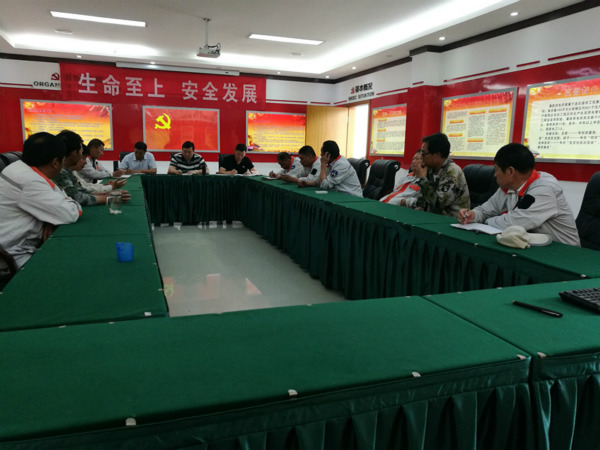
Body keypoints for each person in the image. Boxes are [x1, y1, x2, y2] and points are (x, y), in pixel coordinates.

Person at [458, 143, 580, 246]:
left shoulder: (545, 189)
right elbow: (487, 209)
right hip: (534, 248)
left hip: (565, 253)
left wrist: (484, 222)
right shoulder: (508, 186)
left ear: (510, 171)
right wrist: (473, 215)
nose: (495, 175)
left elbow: (515, 222)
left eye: (496, 170)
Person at [0, 132, 81, 270]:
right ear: (55, 163)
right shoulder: (29, 181)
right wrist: (65, 206)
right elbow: (70, 213)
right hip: (12, 258)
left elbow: (55, 206)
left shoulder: (18, 168)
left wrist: (49, 219)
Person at [54, 130, 130, 206]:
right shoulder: (59, 171)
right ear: (75, 152)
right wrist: (108, 198)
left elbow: (80, 190)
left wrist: (108, 194)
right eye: (81, 153)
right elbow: (77, 198)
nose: (85, 161)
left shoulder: (67, 170)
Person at [413, 133, 470, 217]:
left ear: (437, 155)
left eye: (424, 153)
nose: (421, 156)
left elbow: (438, 204)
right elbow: (424, 199)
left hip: (451, 220)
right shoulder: (430, 169)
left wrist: (422, 179)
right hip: (433, 217)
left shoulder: (452, 171)